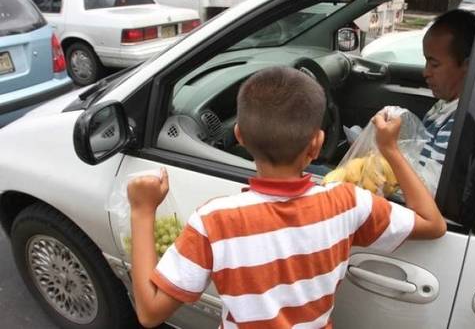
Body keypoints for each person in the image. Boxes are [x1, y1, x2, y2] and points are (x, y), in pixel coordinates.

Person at [126, 67, 446, 328]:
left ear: (239, 136)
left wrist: (142, 210)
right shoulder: (348, 203)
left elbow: (150, 312)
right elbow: (433, 224)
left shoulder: (215, 221)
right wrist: (390, 150)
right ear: (317, 144)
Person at [418, 9, 475, 192]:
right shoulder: (444, 105)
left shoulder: (458, 124)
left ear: (467, 66)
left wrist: (390, 153)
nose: (425, 72)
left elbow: (430, 191)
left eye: (434, 64)